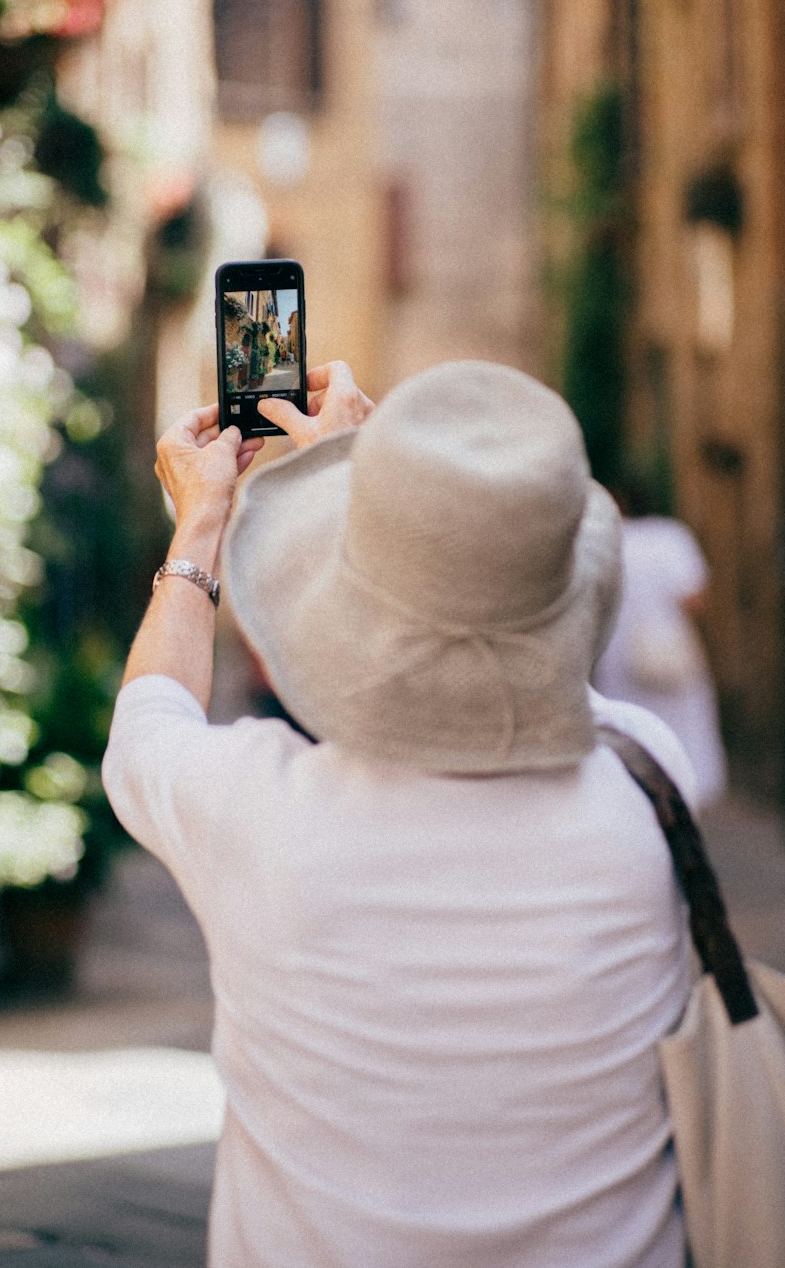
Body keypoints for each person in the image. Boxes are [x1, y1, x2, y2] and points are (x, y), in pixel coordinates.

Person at [103, 359, 695, 1268]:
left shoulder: (257, 807)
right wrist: (377, 493)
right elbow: (542, 672)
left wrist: (206, 519)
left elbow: (150, 717)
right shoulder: (651, 784)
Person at [594, 480, 727, 808]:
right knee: (684, 734)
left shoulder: (606, 541)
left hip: (620, 654)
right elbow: (695, 599)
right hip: (671, 652)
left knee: (630, 732)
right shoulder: (672, 536)